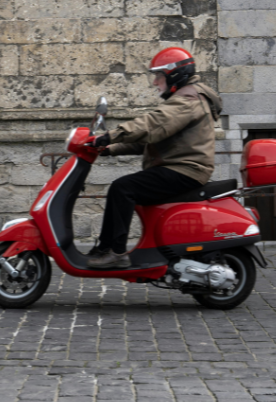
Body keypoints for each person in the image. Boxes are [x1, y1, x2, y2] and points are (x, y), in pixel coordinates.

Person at [86, 47, 223, 269]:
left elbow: (152, 124)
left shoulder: (187, 100)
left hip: (185, 170)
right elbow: (148, 141)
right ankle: (105, 248)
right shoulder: (186, 98)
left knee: (123, 188)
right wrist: (109, 148)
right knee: (123, 188)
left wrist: (110, 135)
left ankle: (115, 252)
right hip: (181, 167)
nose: (155, 82)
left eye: (159, 76)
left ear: (174, 74)